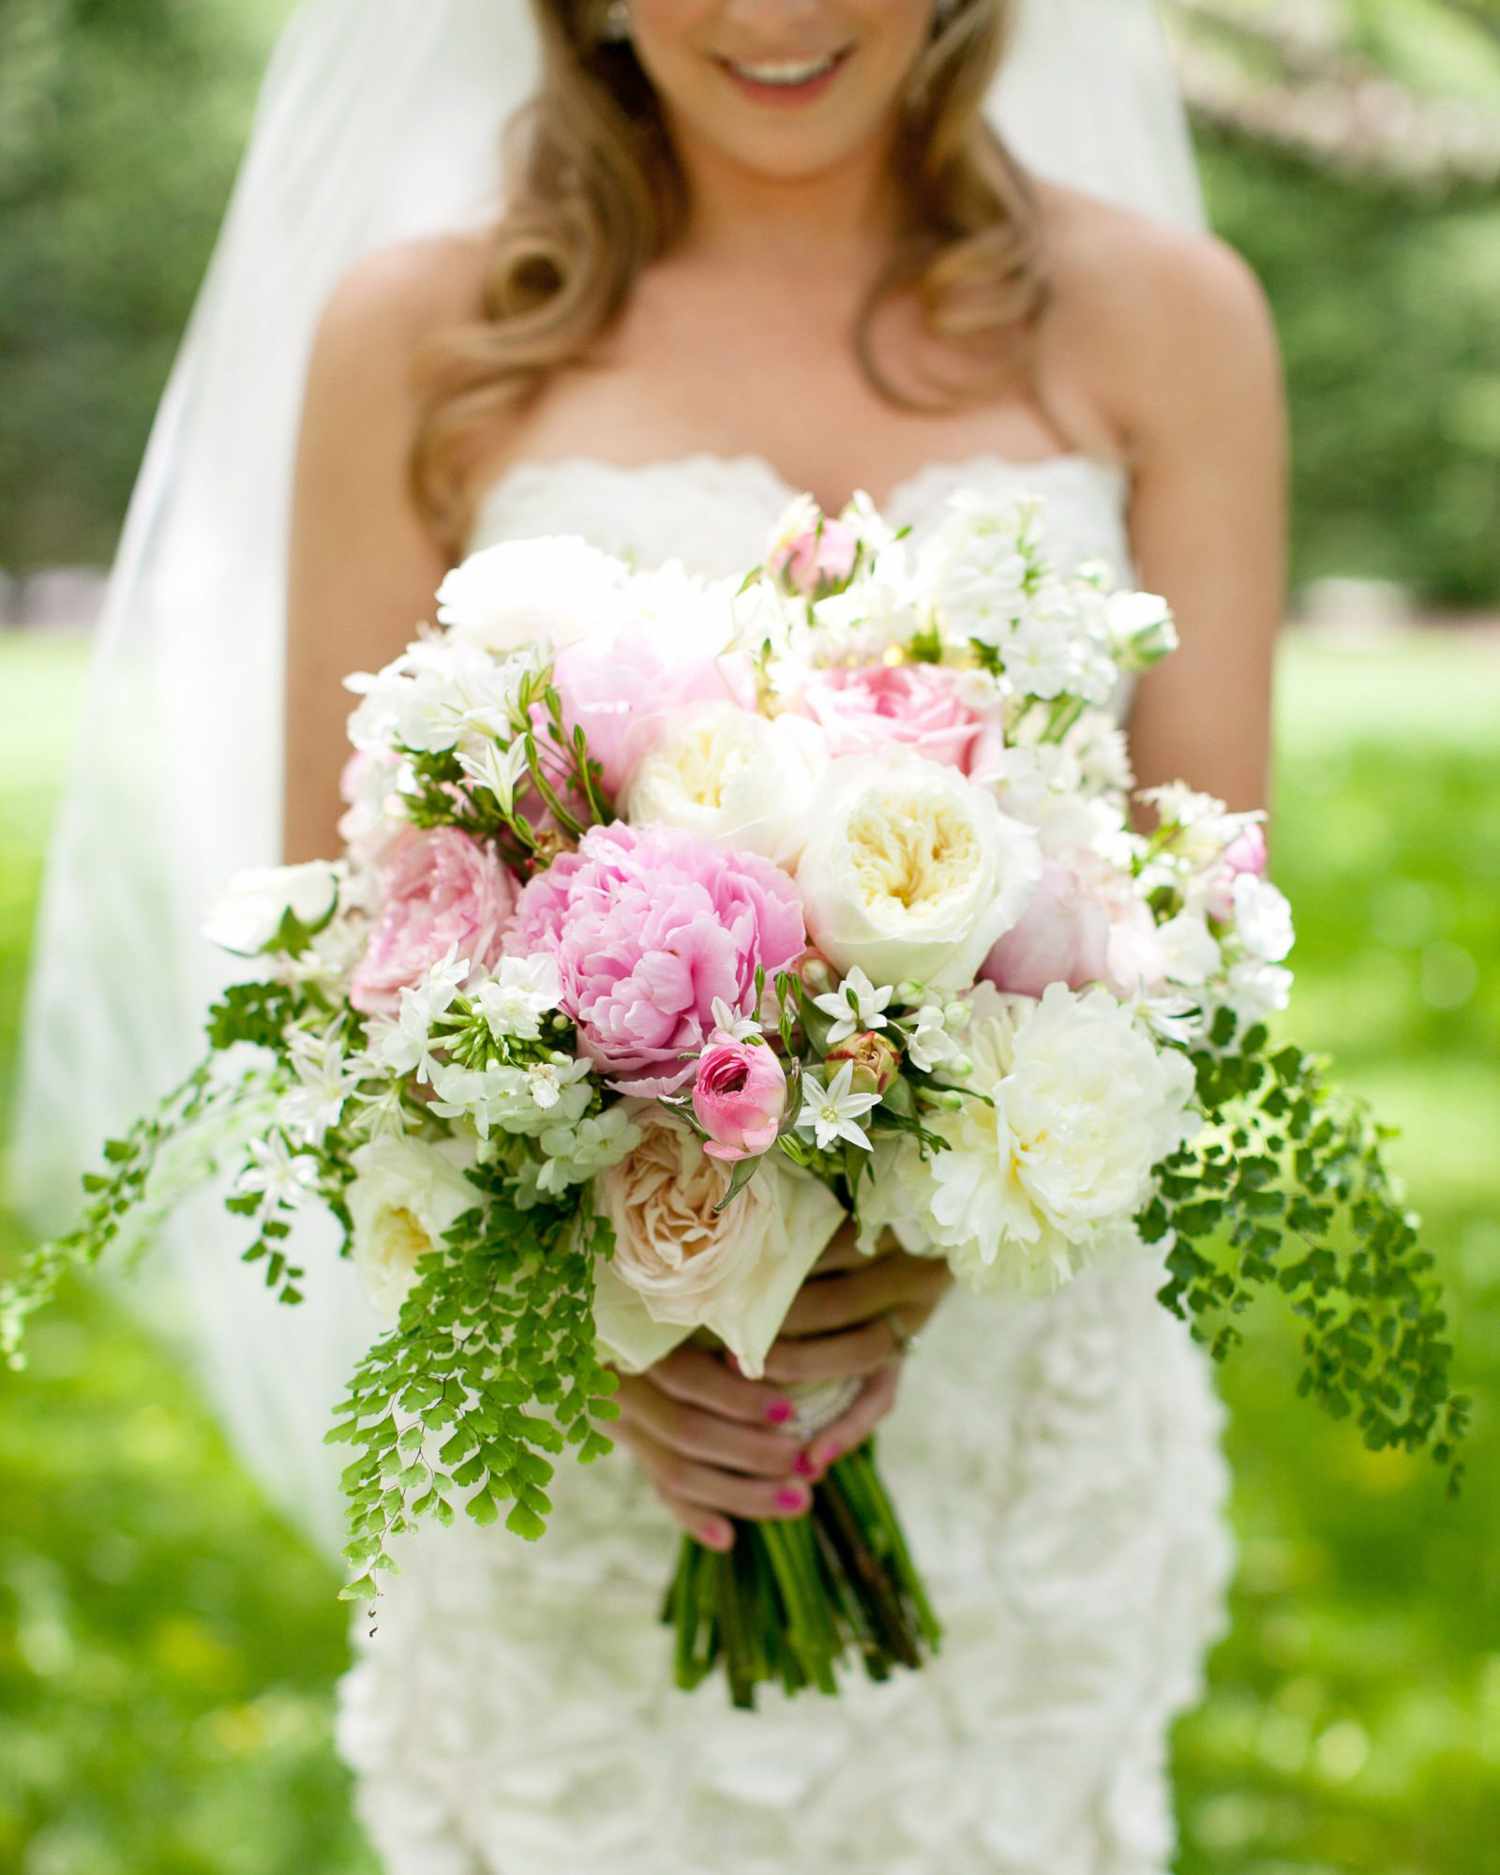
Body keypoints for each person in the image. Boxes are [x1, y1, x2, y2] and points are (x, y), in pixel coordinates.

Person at [20, 2, 1287, 1868]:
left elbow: (1209, 915)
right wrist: (614, 1313)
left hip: (1013, 1415)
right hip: (576, 1450)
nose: (771, 13)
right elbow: (344, 951)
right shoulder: (416, 339)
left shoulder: (1169, 321)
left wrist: (932, 1220)